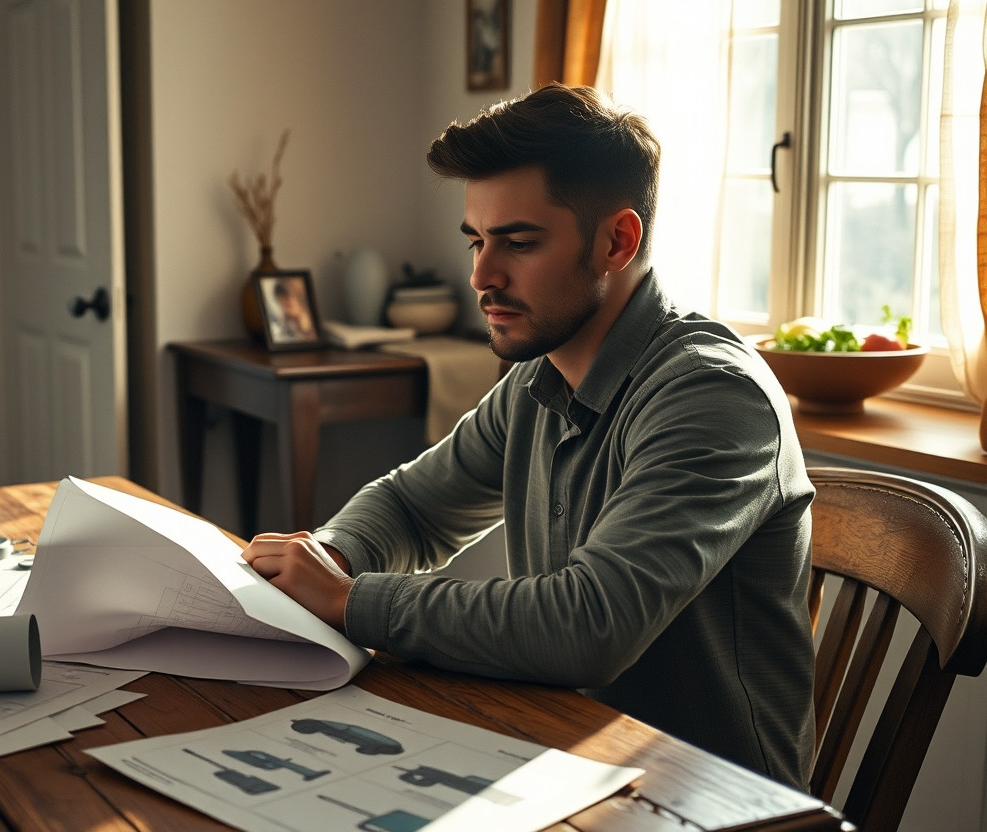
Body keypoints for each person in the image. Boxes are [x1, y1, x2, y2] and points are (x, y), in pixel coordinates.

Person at [241, 84, 816, 789]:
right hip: (561, 763)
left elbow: (591, 625)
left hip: (709, 802)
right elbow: (414, 509)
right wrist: (328, 554)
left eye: (518, 242)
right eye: (478, 241)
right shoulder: (539, 376)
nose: (482, 275)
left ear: (618, 240)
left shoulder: (712, 394)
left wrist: (347, 600)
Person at [268, 277, 316, 342]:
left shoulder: (310, 322)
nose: (288, 300)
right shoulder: (282, 327)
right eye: (282, 297)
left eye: (290, 295)